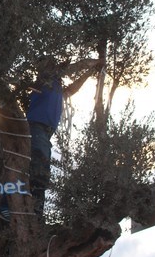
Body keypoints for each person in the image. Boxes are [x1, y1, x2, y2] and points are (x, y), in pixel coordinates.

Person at [27, 58, 103, 214]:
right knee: (39, 170)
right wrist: (95, 62)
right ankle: (34, 211)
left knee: (42, 170)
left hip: (44, 132)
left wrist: (89, 73)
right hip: (37, 127)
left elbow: (71, 89)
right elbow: (77, 66)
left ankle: (37, 211)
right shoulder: (45, 80)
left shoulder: (55, 87)